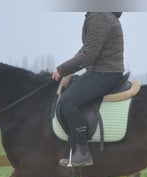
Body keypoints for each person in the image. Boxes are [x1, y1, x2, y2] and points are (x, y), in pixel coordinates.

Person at [52, 12, 125, 167]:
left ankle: (82, 152)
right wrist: (67, 68)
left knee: (67, 103)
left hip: (104, 73)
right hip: (103, 71)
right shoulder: (102, 14)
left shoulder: (99, 15)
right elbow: (87, 49)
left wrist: (62, 69)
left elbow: (89, 54)